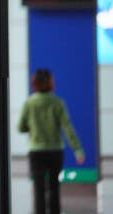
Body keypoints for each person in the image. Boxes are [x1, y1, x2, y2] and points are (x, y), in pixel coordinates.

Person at [18, 68, 84, 214]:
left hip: (36, 151)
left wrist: (33, 127)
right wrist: (77, 149)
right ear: (51, 83)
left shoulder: (29, 103)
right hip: (55, 150)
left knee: (39, 189)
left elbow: (20, 127)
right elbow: (67, 127)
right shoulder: (57, 102)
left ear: (34, 83)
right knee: (54, 186)